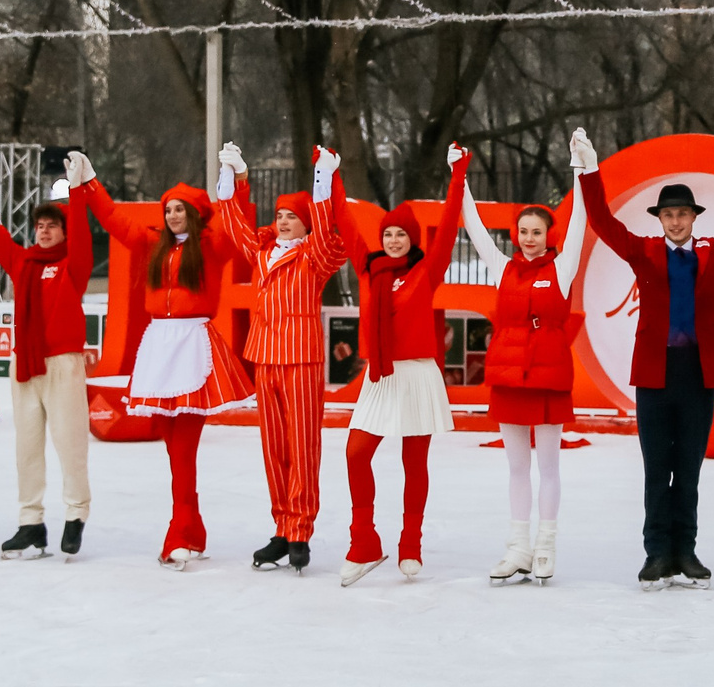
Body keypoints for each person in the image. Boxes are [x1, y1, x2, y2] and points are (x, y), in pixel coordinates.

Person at [577, 128, 714, 589]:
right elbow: (601, 220)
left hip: (698, 374)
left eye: (682, 214)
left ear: (694, 217)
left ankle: (687, 552)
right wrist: (591, 171)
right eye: (668, 214)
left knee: (690, 471)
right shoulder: (643, 251)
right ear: (659, 219)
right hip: (654, 375)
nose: (675, 221)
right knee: (657, 469)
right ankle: (657, 553)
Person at [77, 153, 254, 568]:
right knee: (174, 447)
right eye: (168, 209)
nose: (173, 215)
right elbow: (115, 221)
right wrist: (90, 183)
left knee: (184, 449)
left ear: (195, 214)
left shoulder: (211, 247)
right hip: (159, 348)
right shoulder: (154, 245)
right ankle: (190, 529)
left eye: (179, 209)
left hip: (192, 348)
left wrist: (240, 181)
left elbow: (239, 225)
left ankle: (182, 531)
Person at [459, 146, 596, 585]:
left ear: (548, 235)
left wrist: (580, 169)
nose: (529, 238)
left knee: (549, 466)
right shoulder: (503, 268)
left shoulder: (563, 267)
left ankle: (545, 546)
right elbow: (474, 227)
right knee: (517, 467)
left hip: (548, 377)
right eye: (523, 231)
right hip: (508, 378)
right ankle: (518, 547)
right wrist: (460, 177)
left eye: (536, 231)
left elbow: (581, 221)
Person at [338, 146, 473, 585]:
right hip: (380, 376)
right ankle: (364, 540)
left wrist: (458, 174)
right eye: (389, 234)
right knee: (356, 454)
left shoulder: (426, 270)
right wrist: (331, 179)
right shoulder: (369, 268)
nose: (394, 240)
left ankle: (410, 542)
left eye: (401, 234)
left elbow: (449, 226)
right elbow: (345, 225)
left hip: (416, 374)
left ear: (413, 239)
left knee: (414, 463)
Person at [222, 144, 348, 572]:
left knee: (303, 445)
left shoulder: (314, 255)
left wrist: (322, 180)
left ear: (306, 222)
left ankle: (300, 529)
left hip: (301, 358)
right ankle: (282, 526)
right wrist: (234, 177)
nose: (283, 221)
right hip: (265, 357)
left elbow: (329, 234)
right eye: (279, 215)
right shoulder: (263, 252)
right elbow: (235, 228)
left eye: (292, 216)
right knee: (274, 447)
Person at [0, 173, 96, 561]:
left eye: (52, 225)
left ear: (64, 231)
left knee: (70, 444)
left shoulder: (74, 264)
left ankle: (75, 513)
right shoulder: (22, 261)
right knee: (26, 448)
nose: (43, 231)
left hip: (62, 363)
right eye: (39, 225)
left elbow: (83, 234)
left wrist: (77, 190)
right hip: (24, 363)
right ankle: (30, 522)